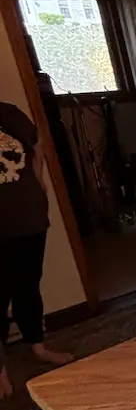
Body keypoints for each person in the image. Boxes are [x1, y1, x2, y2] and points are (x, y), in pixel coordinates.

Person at [0, 99, 73, 388]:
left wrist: (39, 179)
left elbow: (36, 140)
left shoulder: (8, 113)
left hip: (30, 220)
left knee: (27, 287)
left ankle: (38, 347)